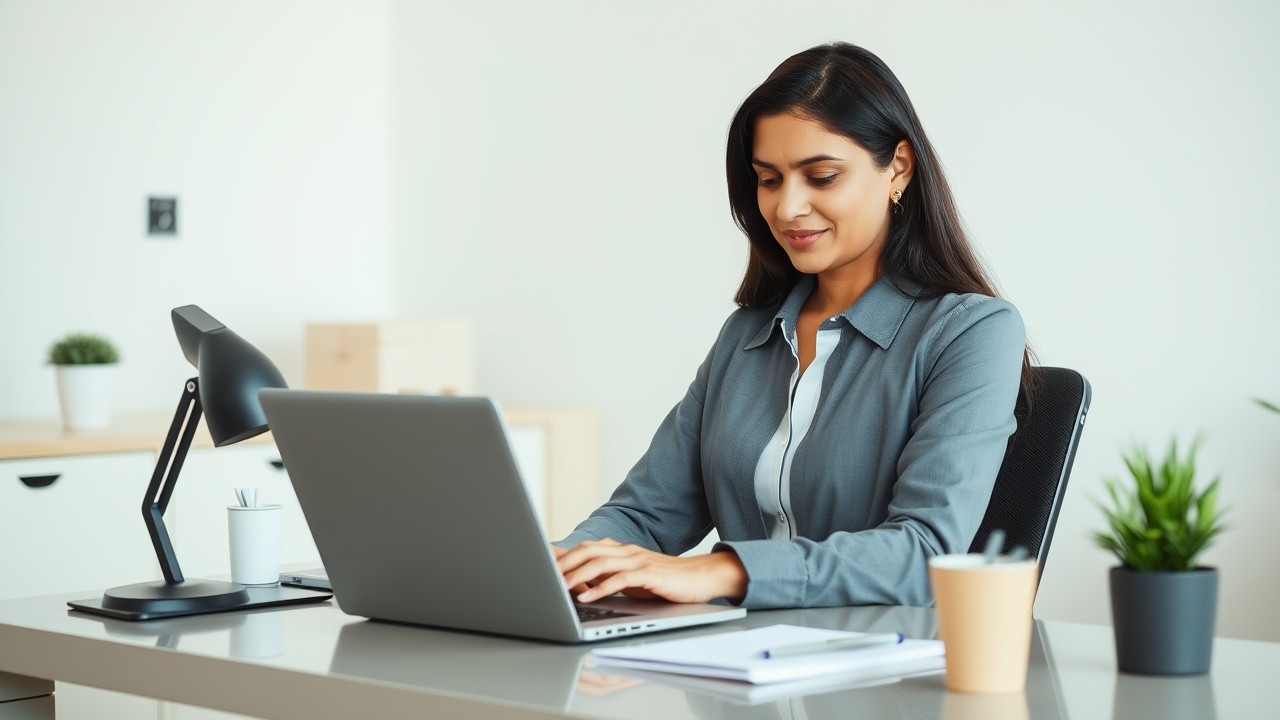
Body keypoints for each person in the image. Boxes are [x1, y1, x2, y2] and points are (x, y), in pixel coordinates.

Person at [554, 42, 1030, 609]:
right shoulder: (747, 337)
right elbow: (646, 514)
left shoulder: (971, 333)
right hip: (737, 666)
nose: (786, 208)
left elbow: (925, 553)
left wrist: (723, 572)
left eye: (822, 177)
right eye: (769, 179)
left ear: (897, 167)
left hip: (878, 678)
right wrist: (553, 566)